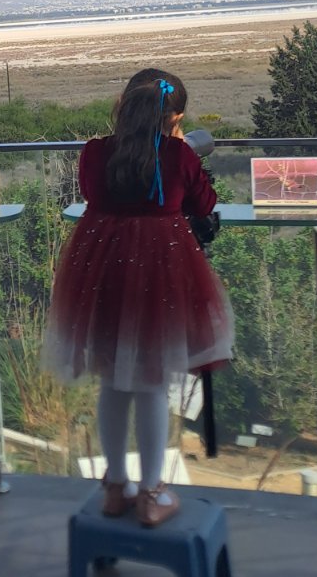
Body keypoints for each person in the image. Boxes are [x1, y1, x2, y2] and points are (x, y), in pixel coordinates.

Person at [43, 68, 233, 527]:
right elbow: (204, 203)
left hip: (102, 268)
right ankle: (151, 493)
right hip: (161, 272)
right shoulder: (177, 154)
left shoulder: (95, 152)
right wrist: (180, 148)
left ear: (124, 106)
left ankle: (115, 487)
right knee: (151, 383)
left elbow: (91, 192)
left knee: (113, 381)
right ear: (175, 117)